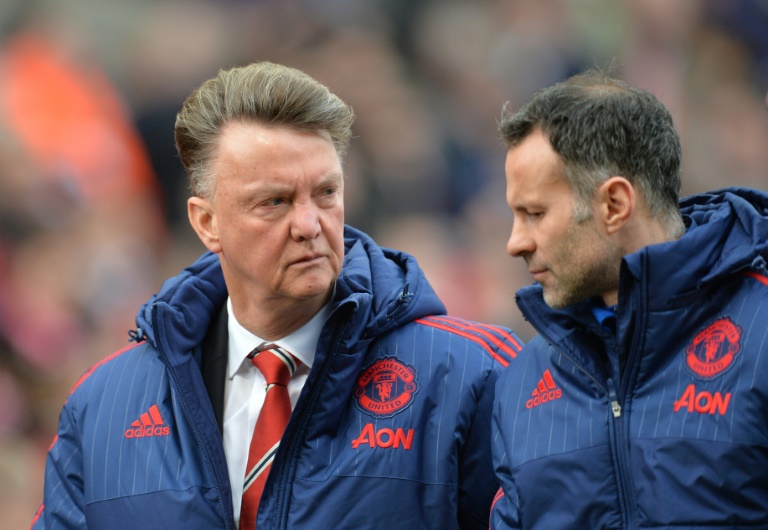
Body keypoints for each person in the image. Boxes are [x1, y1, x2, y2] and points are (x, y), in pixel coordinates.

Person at [30, 61, 524, 530]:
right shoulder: (104, 405)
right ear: (207, 222)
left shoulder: (472, 373)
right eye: (275, 202)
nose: (310, 225)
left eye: (326, 193)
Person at [490, 69, 768, 529]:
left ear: (615, 204)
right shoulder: (523, 381)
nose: (515, 242)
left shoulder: (759, 327)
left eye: (534, 213)